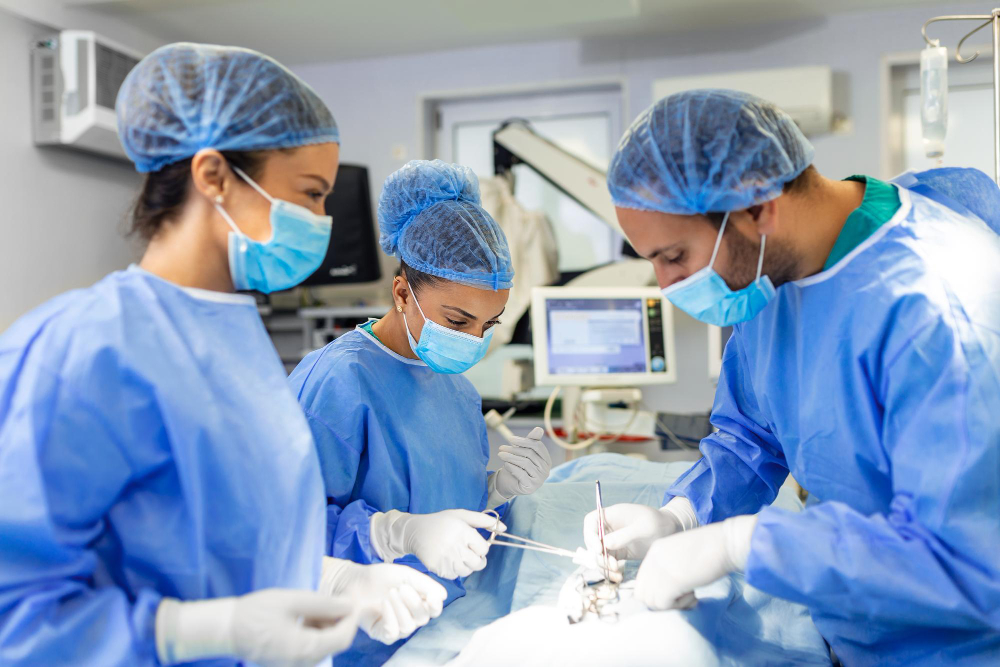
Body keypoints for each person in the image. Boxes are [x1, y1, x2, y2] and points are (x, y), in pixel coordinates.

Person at [0, 42, 438, 666]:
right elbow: (15, 614)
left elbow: (226, 540)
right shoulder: (84, 349)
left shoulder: (233, 334)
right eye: (312, 194)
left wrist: (339, 581)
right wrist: (206, 630)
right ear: (214, 177)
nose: (321, 220)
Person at [583, 89, 1000, 664]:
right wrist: (681, 517)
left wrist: (743, 544)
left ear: (757, 209)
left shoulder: (940, 310)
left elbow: (966, 552)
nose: (663, 285)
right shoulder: (771, 282)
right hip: (857, 631)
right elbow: (750, 437)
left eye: (674, 256)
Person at [288, 159, 553, 664]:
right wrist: (399, 532)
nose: (473, 341)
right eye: (458, 320)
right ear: (402, 291)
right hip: (364, 639)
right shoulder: (337, 382)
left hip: (444, 624)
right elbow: (287, 530)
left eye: (489, 324)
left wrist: (497, 488)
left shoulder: (455, 387)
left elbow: (449, 502)